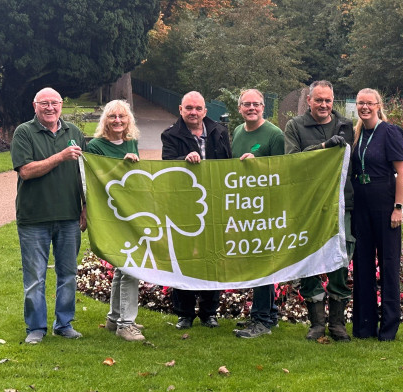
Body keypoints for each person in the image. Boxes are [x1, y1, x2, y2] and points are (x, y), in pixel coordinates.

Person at [10, 87, 86, 344]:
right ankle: (36, 327)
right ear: (35, 106)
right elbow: (26, 171)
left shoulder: (74, 132)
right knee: (35, 277)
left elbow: (84, 175)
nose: (50, 108)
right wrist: (60, 156)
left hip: (69, 217)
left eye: (55, 103)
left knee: (68, 274)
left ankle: (63, 324)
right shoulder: (24, 132)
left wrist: (85, 208)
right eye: (44, 103)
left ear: (62, 105)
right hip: (34, 218)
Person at [284, 80, 354, 341]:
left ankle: (337, 324)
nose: (324, 105)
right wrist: (323, 148)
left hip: (341, 203)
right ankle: (316, 323)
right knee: (310, 259)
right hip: (309, 205)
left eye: (328, 100)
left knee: (340, 260)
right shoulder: (295, 126)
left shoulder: (346, 126)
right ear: (309, 101)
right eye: (319, 100)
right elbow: (293, 160)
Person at [161, 90, 232, 329]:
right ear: (180, 109)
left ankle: (209, 312)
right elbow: (168, 165)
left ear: (205, 111)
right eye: (188, 108)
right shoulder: (170, 134)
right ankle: (185, 313)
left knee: (213, 256)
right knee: (185, 256)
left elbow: (227, 164)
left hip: (214, 203)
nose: (193, 112)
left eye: (198, 108)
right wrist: (184, 158)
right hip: (185, 205)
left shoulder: (220, 131)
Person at [350, 88, 403, 341]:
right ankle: (364, 326)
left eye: (369, 103)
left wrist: (398, 207)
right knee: (362, 264)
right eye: (360, 103)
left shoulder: (389, 132)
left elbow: (402, 173)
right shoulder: (355, 134)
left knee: (387, 263)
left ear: (378, 105)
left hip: (384, 204)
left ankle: (388, 328)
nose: (365, 107)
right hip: (360, 205)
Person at [86, 99, 145, 343]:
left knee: (124, 266)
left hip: (130, 209)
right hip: (110, 212)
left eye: (122, 116)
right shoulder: (97, 146)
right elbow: (97, 178)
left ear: (128, 119)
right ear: (105, 120)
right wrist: (121, 165)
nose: (118, 121)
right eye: (112, 117)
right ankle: (126, 325)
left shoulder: (132, 142)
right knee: (131, 264)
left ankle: (115, 317)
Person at [230, 88, 286, 339]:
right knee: (254, 261)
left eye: (256, 104)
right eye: (246, 104)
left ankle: (261, 320)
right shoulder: (237, 132)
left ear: (264, 107)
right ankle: (269, 314)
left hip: (266, 209)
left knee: (263, 261)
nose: (251, 108)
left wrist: (259, 164)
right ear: (239, 108)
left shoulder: (275, 135)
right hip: (244, 207)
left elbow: (283, 171)